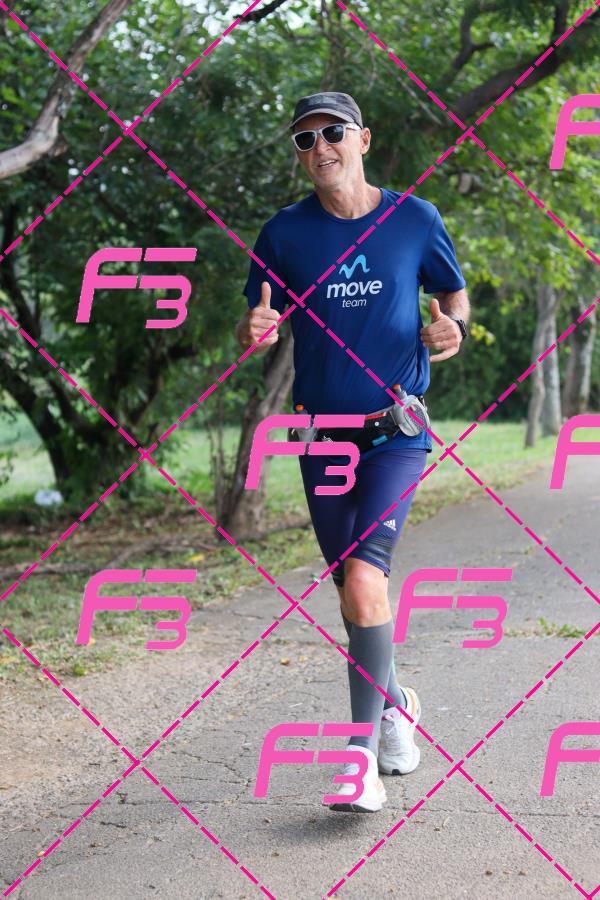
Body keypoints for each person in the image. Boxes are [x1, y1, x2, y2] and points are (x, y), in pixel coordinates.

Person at [235, 92, 470, 813]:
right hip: (320, 438)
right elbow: (258, 318)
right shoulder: (284, 233)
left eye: (332, 133)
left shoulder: (414, 219)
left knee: (366, 583)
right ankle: (397, 706)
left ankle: (358, 761)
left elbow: (453, 295)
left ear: (362, 139)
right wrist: (255, 329)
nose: (320, 148)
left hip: (396, 430)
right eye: (305, 139)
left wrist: (453, 328)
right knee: (353, 595)